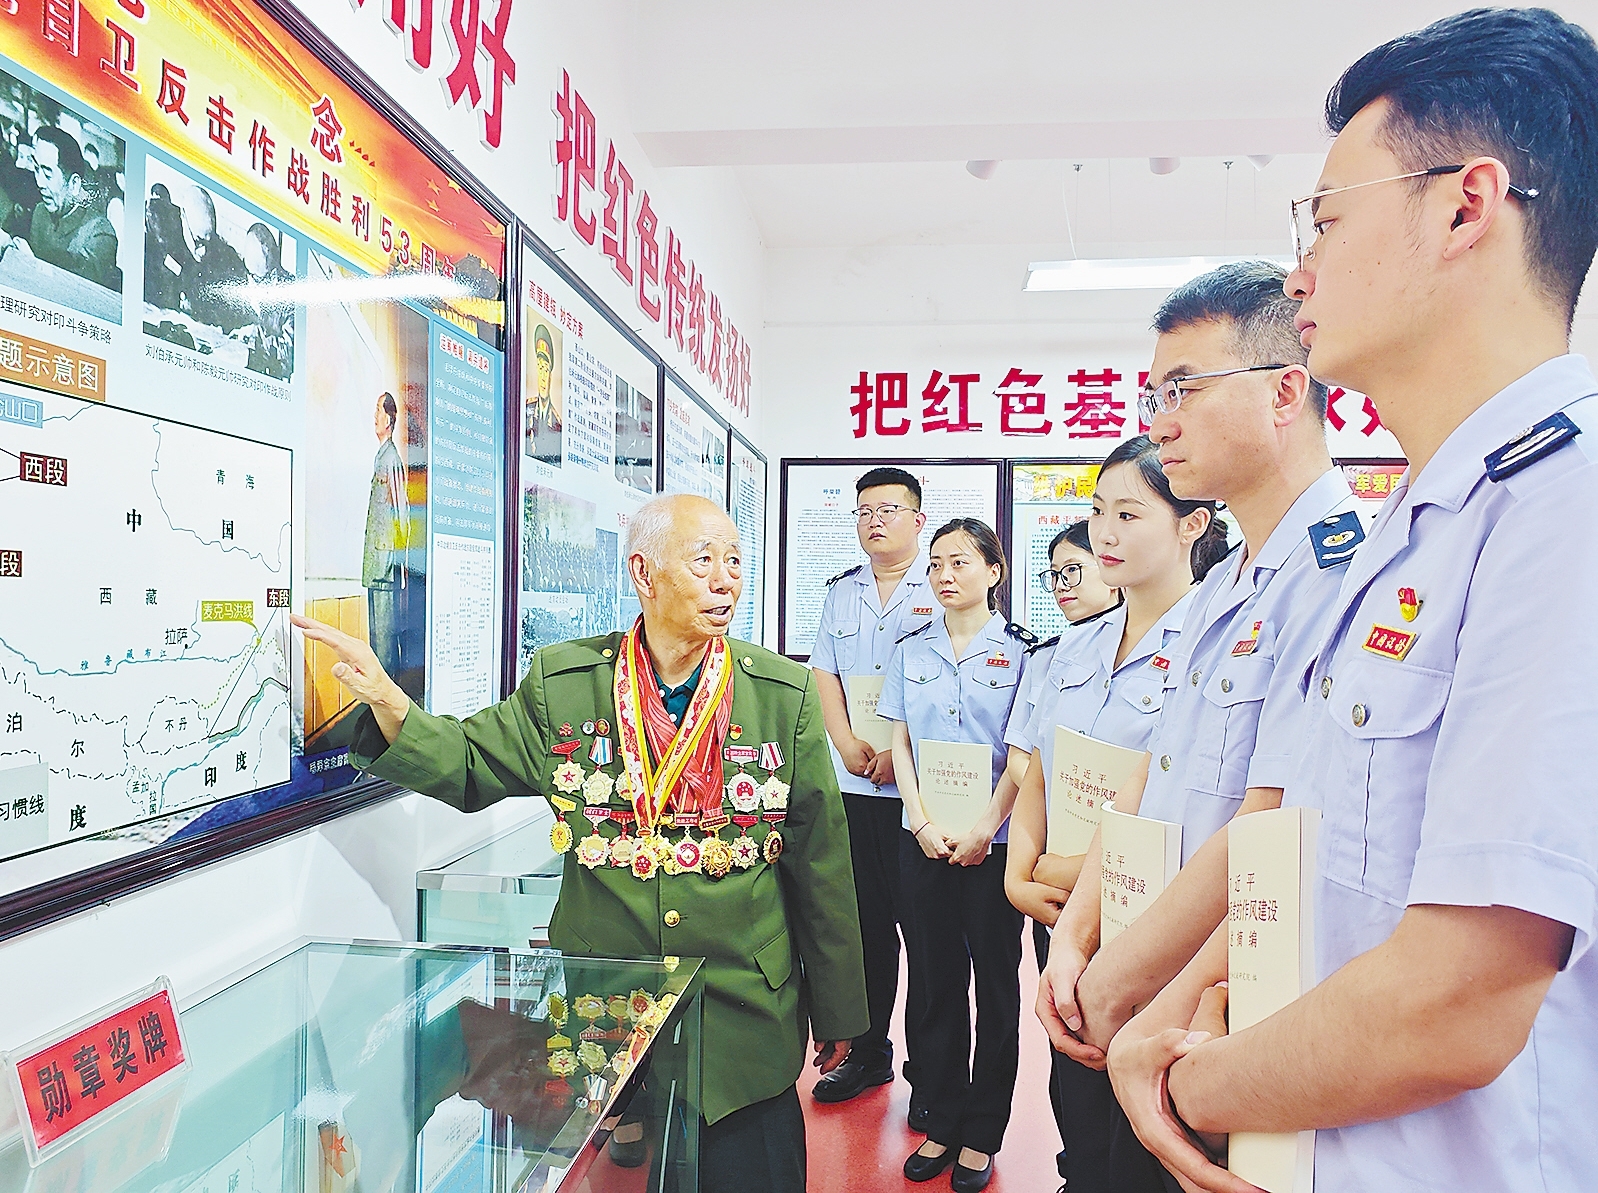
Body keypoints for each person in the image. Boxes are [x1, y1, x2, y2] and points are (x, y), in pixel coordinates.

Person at [1105, 11, 1598, 1193]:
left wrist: (1182, 1087)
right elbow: (1306, 858)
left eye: (1325, 220)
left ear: (1465, 207)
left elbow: (1459, 997)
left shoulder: (1561, 507)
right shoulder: (1417, 527)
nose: (1299, 273)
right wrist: (1180, 1012)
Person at [293, 493, 869, 1193]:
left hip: (743, 1010)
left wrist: (839, 1008)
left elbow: (821, 866)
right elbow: (470, 762)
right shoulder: (568, 686)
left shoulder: (782, 695)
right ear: (644, 572)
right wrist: (390, 702)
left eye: (736, 562)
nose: (726, 581)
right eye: (704, 562)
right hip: (608, 1012)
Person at [1038, 260, 1352, 1189]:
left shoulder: (1336, 577)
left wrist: (1134, 995)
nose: (1159, 421)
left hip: (1213, 1004)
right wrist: (1077, 932)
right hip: (1139, 983)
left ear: (1284, 392)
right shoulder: (1223, 587)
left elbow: (1270, 823)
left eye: (1184, 389)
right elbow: (1150, 773)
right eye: (1153, 395)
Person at [1007, 438, 1225, 1192]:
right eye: (1098, 511)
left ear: (1191, 524)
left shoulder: (1213, 643)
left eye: (1128, 515)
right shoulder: (1075, 647)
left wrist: (1070, 872)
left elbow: (1188, 800)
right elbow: (1041, 766)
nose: (1104, 532)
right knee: (1073, 1093)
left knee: (1143, 1123)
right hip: (1060, 915)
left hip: (1156, 927)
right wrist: (1017, 873)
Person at [880, 517, 1029, 1193]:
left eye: (960, 562)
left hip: (994, 845)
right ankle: (939, 1117)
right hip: (925, 840)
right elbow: (901, 743)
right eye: (936, 563)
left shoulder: (1022, 652)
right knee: (933, 982)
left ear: (993, 571)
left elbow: (1022, 753)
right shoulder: (911, 649)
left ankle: (982, 1131)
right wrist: (919, 821)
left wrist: (986, 828)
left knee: (995, 987)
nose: (944, 574)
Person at [808, 466, 937, 1114]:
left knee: (928, 932)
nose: (874, 521)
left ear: (918, 520)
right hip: (854, 787)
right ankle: (868, 1053)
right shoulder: (842, 593)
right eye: (863, 511)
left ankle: (931, 1076)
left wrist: (899, 755)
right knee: (864, 929)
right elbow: (824, 675)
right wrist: (844, 743)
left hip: (922, 793)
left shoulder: (942, 584)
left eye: (888, 509)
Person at [996, 517, 1120, 1184]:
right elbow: (1027, 760)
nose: (1063, 584)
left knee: (1122, 1044)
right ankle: (1076, 1166)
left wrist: (1067, 862)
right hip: (1055, 887)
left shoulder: (1180, 641)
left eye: (1075, 569)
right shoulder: (1052, 656)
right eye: (1054, 575)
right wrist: (1026, 870)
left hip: (1128, 887)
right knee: (1066, 1035)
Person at [3, 126, 119, 289]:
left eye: (48, 174)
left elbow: (80, 290)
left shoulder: (99, 233)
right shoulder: (40, 212)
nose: (39, 183)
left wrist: (32, 263)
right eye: (36, 169)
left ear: (74, 184)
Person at [363, 392, 409, 681]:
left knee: (384, 639)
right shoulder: (382, 456)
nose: (375, 416)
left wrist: (400, 561)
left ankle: (387, 696)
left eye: (378, 410)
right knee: (377, 636)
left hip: (385, 563)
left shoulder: (391, 458)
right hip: (377, 563)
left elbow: (402, 511)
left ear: (389, 419)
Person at [176, 184, 248, 331]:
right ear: (183, 217)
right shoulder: (165, 241)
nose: (203, 251)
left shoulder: (227, 257)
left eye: (209, 241)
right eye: (198, 241)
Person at [236, 221, 294, 379]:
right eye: (251, 276)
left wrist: (257, 337)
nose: (252, 282)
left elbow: (288, 356)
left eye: (257, 279)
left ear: (272, 274)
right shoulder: (253, 282)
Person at [526, 322, 563, 462]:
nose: (542, 376)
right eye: (540, 368)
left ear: (550, 375)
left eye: (546, 369)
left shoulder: (557, 423)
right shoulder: (526, 408)